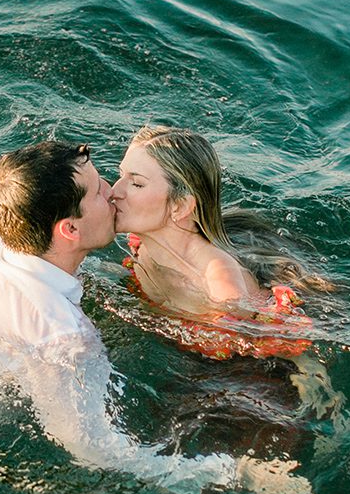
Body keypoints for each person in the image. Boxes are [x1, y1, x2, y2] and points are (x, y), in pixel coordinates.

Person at [0, 139, 329, 494]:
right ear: (69, 230)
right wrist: (229, 471)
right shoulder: (63, 336)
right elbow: (92, 448)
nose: (111, 192)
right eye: (96, 192)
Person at [111, 125, 315, 362]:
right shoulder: (143, 247)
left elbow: (271, 350)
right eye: (120, 174)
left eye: (136, 183)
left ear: (180, 206)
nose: (115, 190)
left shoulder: (218, 284)